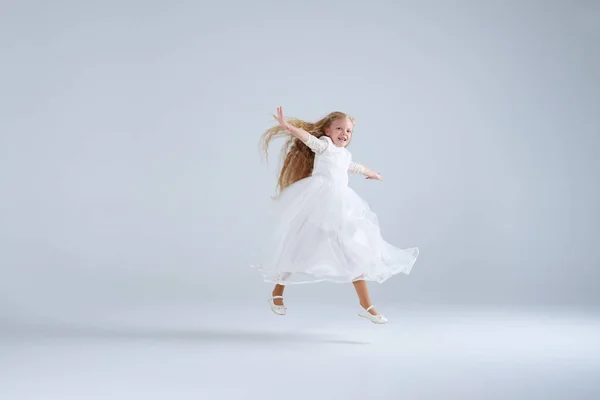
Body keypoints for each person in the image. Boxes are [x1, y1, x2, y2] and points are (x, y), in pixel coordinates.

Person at [251, 107, 419, 324]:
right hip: (319, 203)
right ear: (328, 130)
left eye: (348, 131)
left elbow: (354, 166)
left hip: (341, 207)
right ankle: (277, 294)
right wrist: (288, 127)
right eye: (339, 128)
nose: (344, 133)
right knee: (298, 247)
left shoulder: (345, 154)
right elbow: (308, 138)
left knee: (353, 251)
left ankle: (367, 306)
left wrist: (373, 173)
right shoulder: (325, 146)